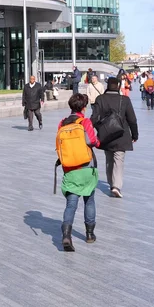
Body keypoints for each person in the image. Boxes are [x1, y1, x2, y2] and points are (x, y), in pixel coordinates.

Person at [58, 93, 100, 252]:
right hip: (86, 167)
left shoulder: (62, 123)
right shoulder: (85, 122)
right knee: (89, 200)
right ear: (84, 107)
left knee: (71, 204)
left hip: (69, 169)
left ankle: (66, 235)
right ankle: (90, 234)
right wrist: (98, 141)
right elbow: (92, 141)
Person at [91, 77, 139, 198]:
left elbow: (94, 118)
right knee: (119, 159)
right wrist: (135, 134)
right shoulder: (125, 100)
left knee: (109, 158)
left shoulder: (100, 99)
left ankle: (111, 182)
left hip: (106, 135)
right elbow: (132, 119)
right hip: (121, 134)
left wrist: (100, 129)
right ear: (118, 86)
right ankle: (116, 186)